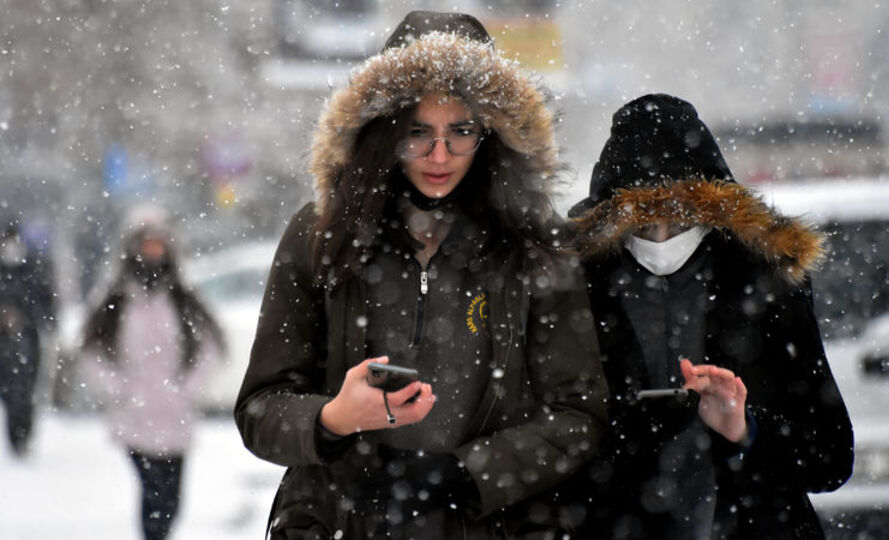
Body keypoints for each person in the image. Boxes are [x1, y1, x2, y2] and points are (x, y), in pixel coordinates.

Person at [234, 10, 608, 540]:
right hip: (341, 523)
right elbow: (260, 409)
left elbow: (577, 415)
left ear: (493, 134)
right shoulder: (319, 233)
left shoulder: (536, 244)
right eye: (417, 133)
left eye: (461, 132)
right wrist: (333, 418)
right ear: (383, 133)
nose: (439, 155)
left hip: (490, 527)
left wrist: (467, 474)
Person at [565, 94, 854, 539]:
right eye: (642, 225)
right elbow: (545, 454)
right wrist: (619, 436)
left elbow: (830, 458)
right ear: (612, 223)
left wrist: (744, 429)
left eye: (680, 220)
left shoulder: (765, 283)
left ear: (712, 214)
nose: (661, 240)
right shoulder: (574, 290)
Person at [80, 214, 223, 540]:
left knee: (172, 497)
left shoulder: (182, 299)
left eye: (160, 245)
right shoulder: (116, 299)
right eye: (148, 245)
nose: (154, 252)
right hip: (135, 416)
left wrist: (187, 388)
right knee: (152, 494)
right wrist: (119, 387)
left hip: (174, 416)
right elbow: (90, 350)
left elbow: (212, 347)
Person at [0, 220, 56, 457]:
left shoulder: (33, 269)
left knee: (23, 390)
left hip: (26, 341)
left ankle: (21, 436)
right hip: (5, 341)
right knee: (10, 390)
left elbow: (47, 306)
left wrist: (24, 317)